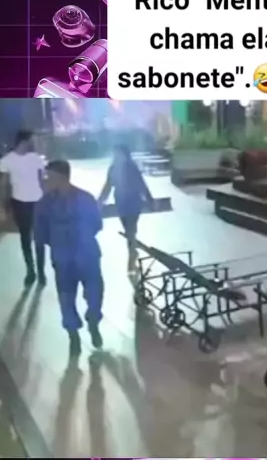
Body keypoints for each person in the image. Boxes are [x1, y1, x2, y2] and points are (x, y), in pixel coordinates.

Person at [35, 160, 104, 356]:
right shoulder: (45, 203)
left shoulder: (84, 198)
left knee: (94, 292)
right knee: (66, 296)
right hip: (65, 256)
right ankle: (73, 332)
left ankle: (93, 320)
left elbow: (97, 224)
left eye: (50, 176)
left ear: (61, 176)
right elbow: (39, 231)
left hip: (85, 255)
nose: (46, 180)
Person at [0, 130, 46, 286]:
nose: (34, 143)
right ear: (24, 141)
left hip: (38, 202)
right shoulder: (7, 160)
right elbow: (4, 185)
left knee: (39, 237)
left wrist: (47, 200)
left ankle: (41, 272)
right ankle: (30, 270)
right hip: (19, 203)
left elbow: (41, 181)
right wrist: (3, 206)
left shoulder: (36, 158)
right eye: (32, 140)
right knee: (25, 238)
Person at [98, 145, 154, 271]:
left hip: (133, 202)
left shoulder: (131, 168)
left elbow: (141, 184)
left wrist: (149, 199)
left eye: (118, 154)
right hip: (121, 203)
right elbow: (107, 186)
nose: (116, 156)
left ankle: (132, 253)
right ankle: (132, 248)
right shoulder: (113, 169)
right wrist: (99, 203)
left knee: (131, 228)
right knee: (128, 228)